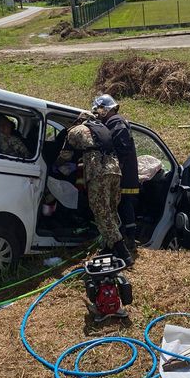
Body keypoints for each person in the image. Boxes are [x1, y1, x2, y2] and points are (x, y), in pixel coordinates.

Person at [64, 112, 133, 267]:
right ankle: (109, 250)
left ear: (79, 120)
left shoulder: (76, 130)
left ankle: (123, 253)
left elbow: (66, 154)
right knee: (111, 210)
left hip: (98, 172)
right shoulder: (103, 128)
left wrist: (58, 164)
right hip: (115, 171)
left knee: (101, 212)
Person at [92, 94, 140, 253]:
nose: (97, 114)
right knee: (121, 205)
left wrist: (113, 166)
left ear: (105, 109)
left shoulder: (117, 123)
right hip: (121, 173)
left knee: (124, 205)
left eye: (98, 110)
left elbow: (122, 149)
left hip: (123, 174)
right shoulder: (113, 122)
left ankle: (128, 239)